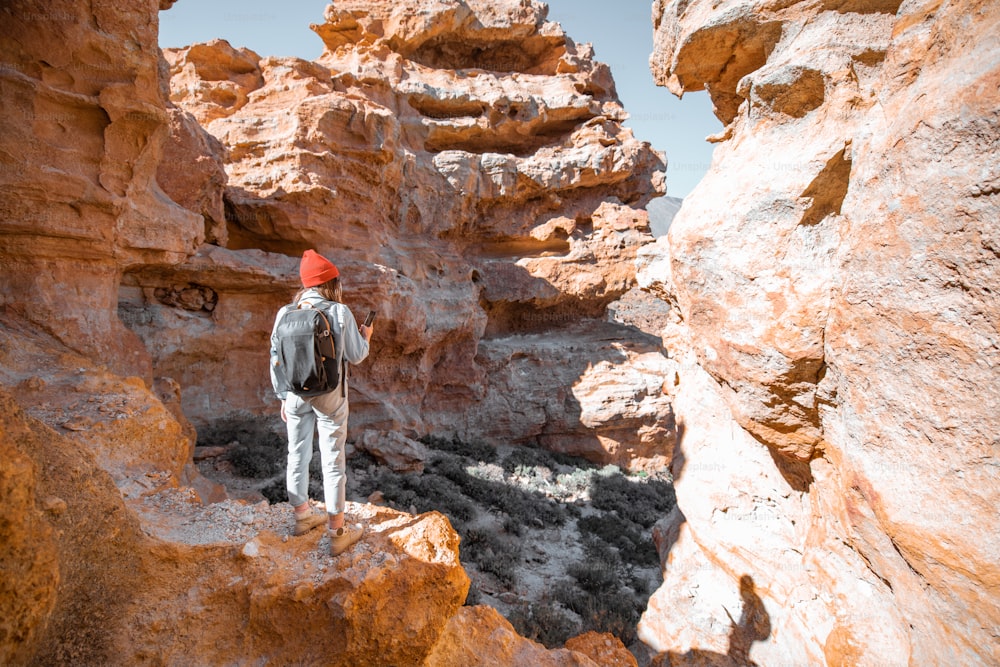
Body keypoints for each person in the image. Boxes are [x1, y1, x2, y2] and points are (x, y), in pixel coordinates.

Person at [269, 249, 373, 556]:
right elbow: (356, 355)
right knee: (332, 461)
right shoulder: (339, 312)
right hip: (330, 398)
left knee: (297, 454)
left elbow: (275, 359)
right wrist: (366, 335)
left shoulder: (285, 313)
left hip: (296, 395)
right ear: (330, 283)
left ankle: (302, 517)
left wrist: (283, 397)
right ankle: (337, 532)